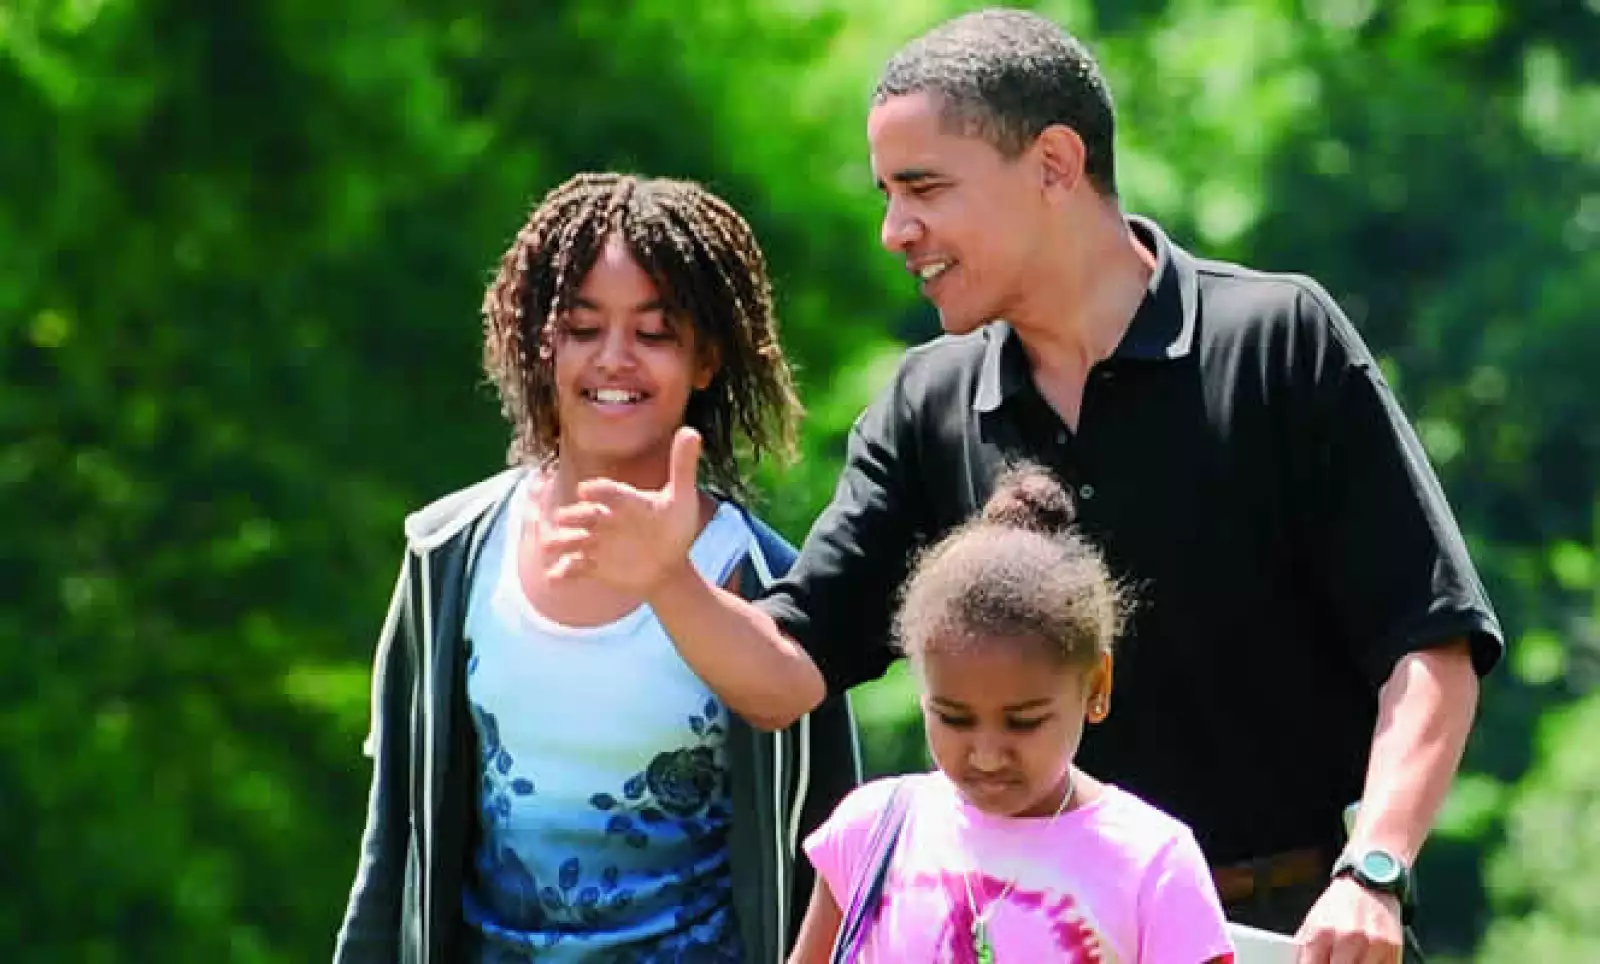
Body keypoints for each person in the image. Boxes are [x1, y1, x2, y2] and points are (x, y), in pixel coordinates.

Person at [542, 10, 1504, 964]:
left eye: (922, 188)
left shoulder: (1277, 340)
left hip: (1284, 931)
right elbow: (785, 675)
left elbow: (1432, 643)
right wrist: (667, 580)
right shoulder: (928, 402)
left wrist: (1374, 870)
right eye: (885, 193)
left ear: (1053, 163)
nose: (893, 230)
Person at [333, 172, 861, 964]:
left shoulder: (764, 583)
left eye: (654, 334)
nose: (615, 361)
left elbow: (836, 868)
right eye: (582, 329)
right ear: (537, 343)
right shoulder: (449, 557)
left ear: (708, 359)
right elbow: (394, 842)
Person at [788, 464, 1235, 963]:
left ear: (1096, 685)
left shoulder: (1153, 862)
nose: (985, 753)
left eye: (1023, 721)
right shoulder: (870, 833)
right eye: (955, 718)